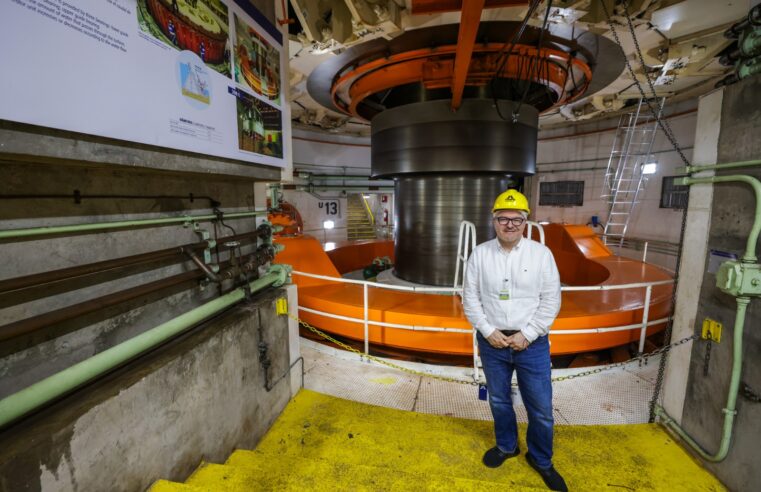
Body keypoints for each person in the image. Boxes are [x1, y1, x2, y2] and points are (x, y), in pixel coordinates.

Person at [462, 189, 567, 492]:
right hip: (492, 343)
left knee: (542, 408)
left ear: (525, 222)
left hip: (531, 345)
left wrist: (528, 334)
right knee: (498, 400)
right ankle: (507, 446)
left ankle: (541, 459)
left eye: (516, 219)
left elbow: (551, 301)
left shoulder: (541, 255)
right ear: (493, 221)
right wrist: (488, 331)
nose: (509, 224)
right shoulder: (480, 254)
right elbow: (470, 299)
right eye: (503, 219)